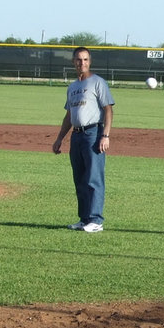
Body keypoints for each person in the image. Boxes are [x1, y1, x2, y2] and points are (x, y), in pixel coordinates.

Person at [52, 47, 114, 233]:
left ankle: (96, 220)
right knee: (79, 179)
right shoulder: (72, 87)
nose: (82, 63)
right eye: (79, 60)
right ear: (73, 62)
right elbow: (69, 115)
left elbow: (108, 109)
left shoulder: (98, 82)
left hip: (93, 133)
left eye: (85, 59)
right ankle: (84, 219)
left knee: (93, 178)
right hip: (77, 135)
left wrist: (105, 135)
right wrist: (59, 138)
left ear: (90, 61)